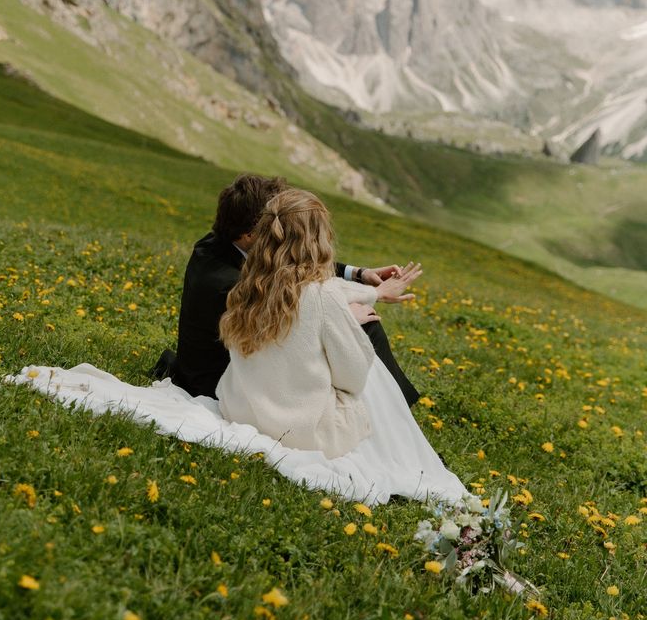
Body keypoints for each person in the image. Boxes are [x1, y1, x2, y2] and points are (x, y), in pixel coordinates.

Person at [217, 187, 466, 502]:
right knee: (373, 369)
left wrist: (373, 292)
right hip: (302, 430)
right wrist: (351, 324)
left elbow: (324, 292)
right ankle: (404, 452)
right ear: (318, 239)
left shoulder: (247, 286)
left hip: (242, 409)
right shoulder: (323, 297)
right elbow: (352, 379)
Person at [152, 173, 420, 406]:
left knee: (357, 322)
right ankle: (396, 419)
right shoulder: (228, 283)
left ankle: (396, 413)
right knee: (364, 327)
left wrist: (359, 274)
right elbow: (291, 332)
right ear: (249, 234)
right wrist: (345, 317)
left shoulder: (218, 242)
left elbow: (292, 264)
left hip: (241, 363)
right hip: (222, 385)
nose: (281, 231)